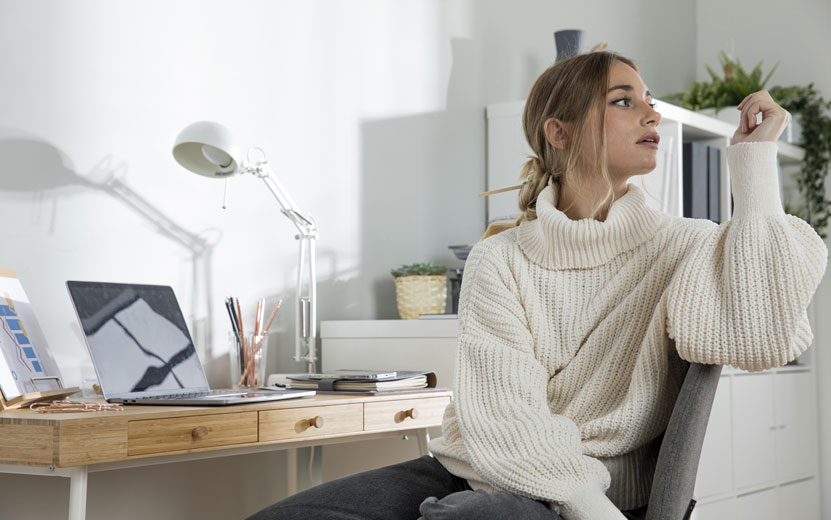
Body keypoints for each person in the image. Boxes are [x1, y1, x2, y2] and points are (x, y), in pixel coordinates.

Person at [248, 49, 828, 520]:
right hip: (485, 464)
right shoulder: (500, 259)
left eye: (648, 101)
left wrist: (754, 163)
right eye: (625, 101)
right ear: (560, 131)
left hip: (590, 490)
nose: (651, 114)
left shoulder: (684, 246)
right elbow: (503, 417)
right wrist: (588, 508)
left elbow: (763, 336)